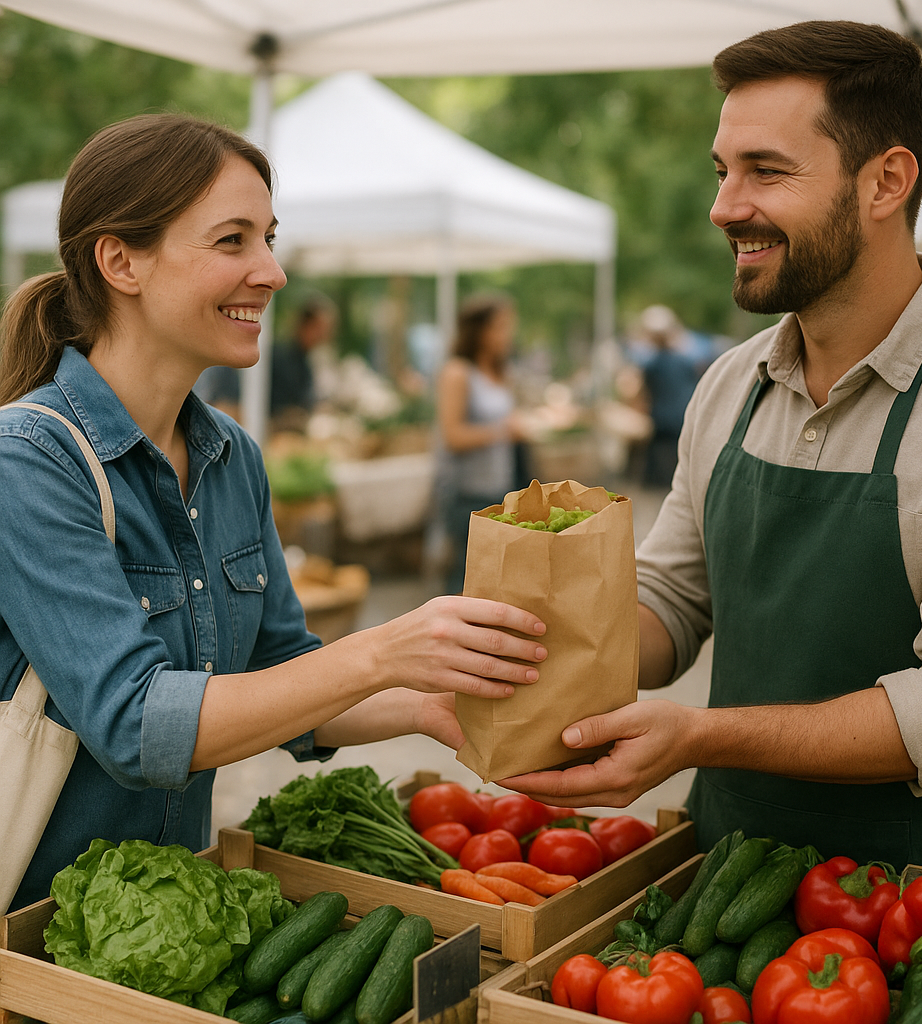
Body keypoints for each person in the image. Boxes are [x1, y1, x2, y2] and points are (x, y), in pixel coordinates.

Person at [502, 20, 922, 889]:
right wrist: (529, 637)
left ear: (886, 182)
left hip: (918, 917)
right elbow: (673, 602)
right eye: (723, 171)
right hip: (720, 885)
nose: (724, 206)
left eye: (766, 172)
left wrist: (702, 735)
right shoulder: (729, 386)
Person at [0, 113, 547, 912]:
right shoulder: (29, 461)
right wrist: (384, 652)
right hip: (36, 934)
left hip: (168, 915)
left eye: (268, 237)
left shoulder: (232, 457)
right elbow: (136, 723)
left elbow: (275, 678)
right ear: (121, 261)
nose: (272, 271)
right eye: (232, 241)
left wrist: (433, 702)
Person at [434, 293, 526, 595]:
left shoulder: (501, 372)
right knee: (466, 576)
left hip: (500, 488)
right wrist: (503, 431)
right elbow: (453, 436)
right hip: (467, 495)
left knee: (500, 578)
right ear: (479, 331)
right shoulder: (458, 372)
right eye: (500, 326)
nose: (506, 334)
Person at [634, 304, 721, 487]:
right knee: (680, 451)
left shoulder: (651, 364)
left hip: (662, 417)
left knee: (656, 448)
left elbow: (645, 391)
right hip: (683, 414)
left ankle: (652, 482)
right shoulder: (685, 360)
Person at [269, 293, 338, 425]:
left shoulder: (305, 360)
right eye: (320, 329)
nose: (324, 335)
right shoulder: (278, 357)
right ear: (305, 325)